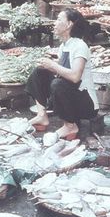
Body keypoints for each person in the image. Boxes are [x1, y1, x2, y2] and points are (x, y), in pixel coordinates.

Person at [26, 8, 99, 140]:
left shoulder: (80, 46)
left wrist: (53, 65)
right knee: (39, 72)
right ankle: (42, 116)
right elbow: (60, 71)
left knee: (58, 84)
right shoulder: (64, 46)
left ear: (69, 24)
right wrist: (47, 66)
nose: (55, 23)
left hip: (86, 104)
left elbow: (75, 76)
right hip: (72, 96)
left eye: (59, 19)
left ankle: (70, 126)